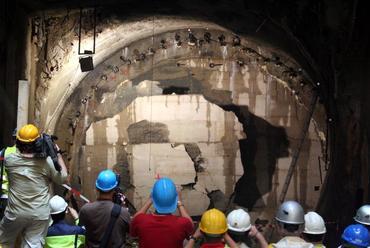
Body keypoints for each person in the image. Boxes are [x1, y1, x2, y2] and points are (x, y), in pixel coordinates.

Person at [0, 124, 68, 248]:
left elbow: (22, 156)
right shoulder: (46, 163)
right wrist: (57, 154)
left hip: (15, 213)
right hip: (39, 214)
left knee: (3, 242)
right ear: (38, 142)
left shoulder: (9, 160)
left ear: (18, 142)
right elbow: (62, 178)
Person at [130, 177, 193, 248]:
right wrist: (179, 202)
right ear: (175, 199)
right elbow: (191, 226)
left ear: (153, 198)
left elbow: (134, 222)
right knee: (186, 241)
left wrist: (150, 200)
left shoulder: (140, 220)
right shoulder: (182, 223)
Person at [79, 169, 130, 248]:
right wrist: (122, 206)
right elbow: (129, 232)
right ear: (114, 189)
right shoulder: (123, 212)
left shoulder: (85, 210)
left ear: (96, 187)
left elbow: (82, 229)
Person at [0, 129, 17, 218]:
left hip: (5, 196)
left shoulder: (4, 152)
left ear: (13, 139)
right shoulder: (27, 154)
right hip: (21, 197)